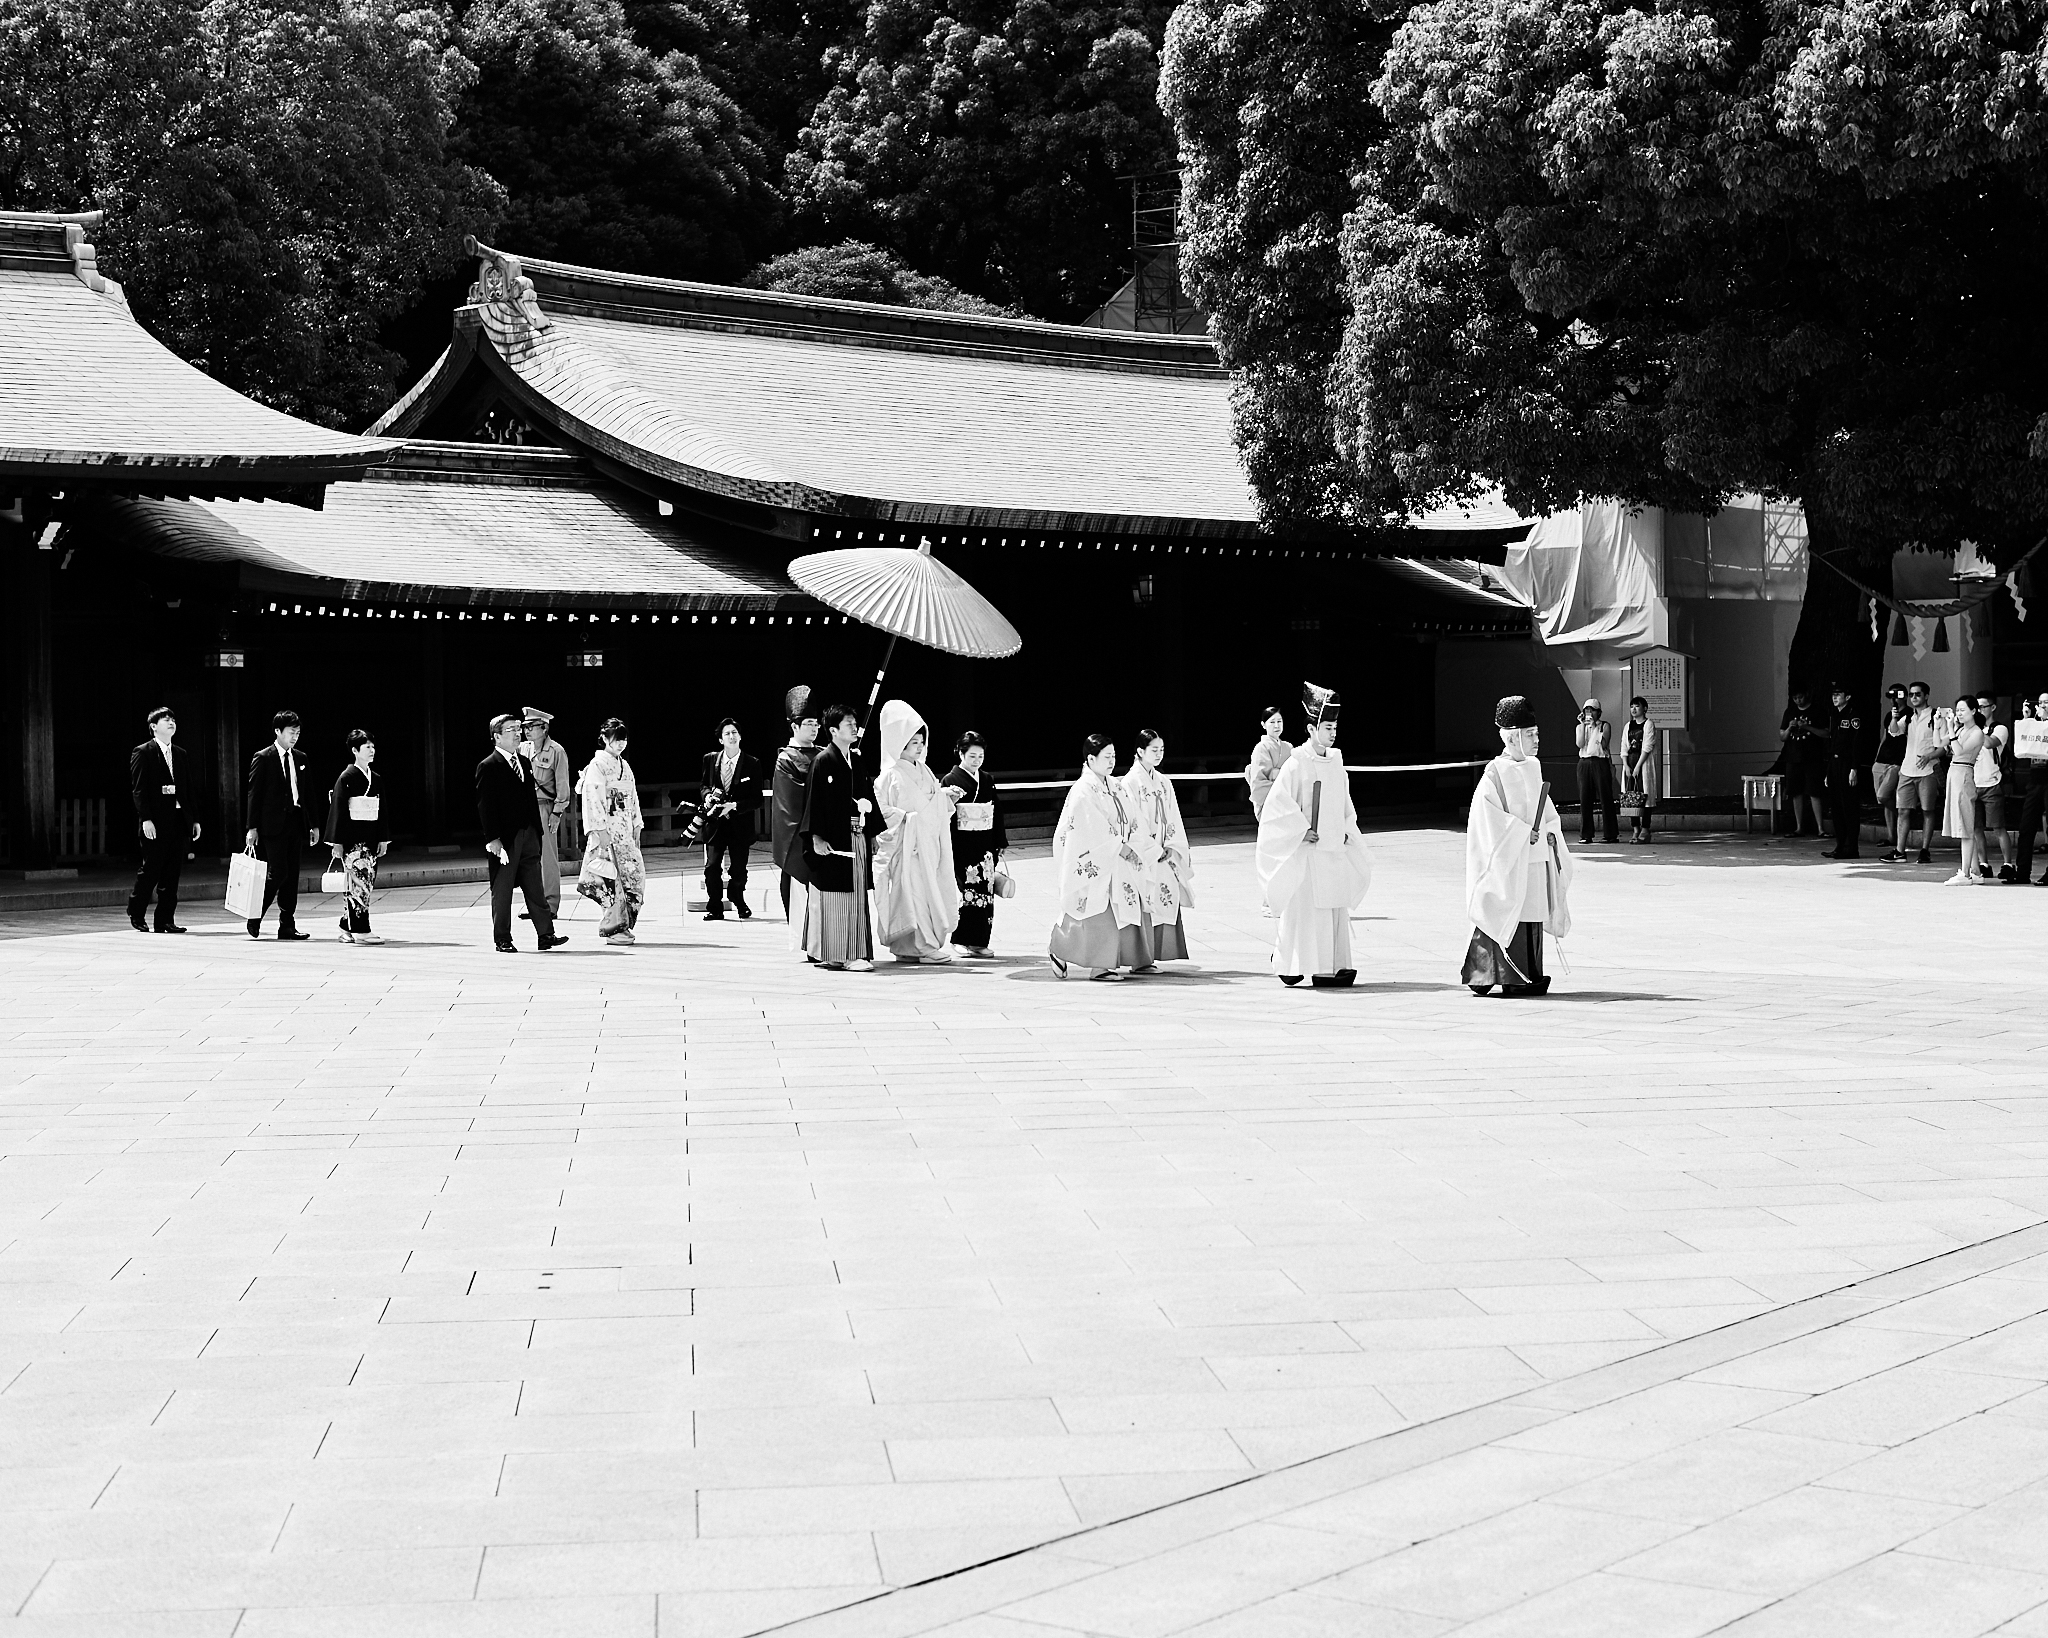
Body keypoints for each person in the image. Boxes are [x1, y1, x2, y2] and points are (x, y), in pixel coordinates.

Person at [1255, 683, 1373, 987]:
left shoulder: (1336, 762)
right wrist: (1299, 829)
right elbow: (1278, 805)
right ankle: (1299, 964)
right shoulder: (1296, 762)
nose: (1333, 733)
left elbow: (1345, 803)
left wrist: (1347, 830)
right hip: (1308, 850)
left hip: (1333, 848)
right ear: (1311, 728)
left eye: (1335, 727)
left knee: (1334, 907)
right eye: (1327, 727)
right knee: (1307, 910)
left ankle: (1335, 965)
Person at [1465, 695, 1574, 997]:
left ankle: (1531, 973)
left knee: (1532, 916)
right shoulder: (1494, 774)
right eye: (1530, 734)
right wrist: (1522, 833)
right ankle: (1503, 976)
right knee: (1507, 911)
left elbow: (1547, 811)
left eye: (1536, 733)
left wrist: (1550, 832)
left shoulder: (1533, 767)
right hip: (1511, 859)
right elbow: (1488, 819)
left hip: (1535, 857)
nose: (1537, 739)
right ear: (1513, 737)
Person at [1048, 734, 1152, 980]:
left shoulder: (1115, 785)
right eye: (1106, 757)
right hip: (1096, 857)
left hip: (1117, 857)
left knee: (1116, 909)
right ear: (1090, 759)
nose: (1111, 762)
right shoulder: (1083, 790)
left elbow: (1132, 816)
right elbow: (1091, 827)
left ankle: (1079, 954)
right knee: (1096, 910)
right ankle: (1096, 964)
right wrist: (1120, 846)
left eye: (1114, 756)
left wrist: (1133, 843)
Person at [870, 700, 963, 963]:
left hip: (929, 845)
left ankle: (911, 947)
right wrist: (907, 821)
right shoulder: (888, 776)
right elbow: (882, 813)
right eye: (914, 742)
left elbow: (932, 806)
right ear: (900, 743)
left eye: (921, 742)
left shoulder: (926, 770)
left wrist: (947, 799)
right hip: (907, 847)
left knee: (926, 893)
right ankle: (920, 946)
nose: (919, 747)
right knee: (913, 896)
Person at [797, 703, 881, 969]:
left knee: (855, 892)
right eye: (849, 724)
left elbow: (868, 796)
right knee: (832, 893)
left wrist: (872, 834)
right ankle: (836, 954)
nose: (854, 727)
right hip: (832, 839)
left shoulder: (855, 760)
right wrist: (816, 837)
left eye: (855, 724)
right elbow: (813, 802)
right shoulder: (822, 761)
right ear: (833, 730)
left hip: (856, 834)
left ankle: (852, 952)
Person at [476, 712, 567, 953]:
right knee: (503, 888)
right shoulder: (488, 766)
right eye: (512, 730)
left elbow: (530, 799)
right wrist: (492, 838)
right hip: (505, 837)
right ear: (497, 736)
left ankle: (546, 934)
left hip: (529, 833)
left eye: (519, 729)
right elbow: (486, 806)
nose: (518, 734)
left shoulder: (524, 762)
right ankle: (502, 938)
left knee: (535, 885)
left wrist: (537, 831)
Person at [244, 709, 318, 940]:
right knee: (278, 872)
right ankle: (255, 915)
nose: (295, 736)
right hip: (272, 825)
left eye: (297, 732)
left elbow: (308, 793)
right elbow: (254, 794)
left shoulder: (301, 758)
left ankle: (287, 925)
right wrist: (252, 827)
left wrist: (314, 824)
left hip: (296, 823)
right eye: (291, 732)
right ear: (278, 731)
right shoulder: (263, 757)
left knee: (292, 874)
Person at [127, 705, 200, 934]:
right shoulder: (144, 752)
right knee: (151, 869)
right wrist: (146, 819)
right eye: (165, 720)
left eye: (173, 720)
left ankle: (165, 919)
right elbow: (139, 790)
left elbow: (187, 789)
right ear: (153, 727)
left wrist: (194, 819)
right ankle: (136, 911)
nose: (171, 723)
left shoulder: (180, 753)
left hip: (178, 818)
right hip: (155, 821)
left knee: (172, 872)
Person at [1123, 728, 1192, 967]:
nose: (1159, 754)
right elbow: (1134, 822)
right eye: (1154, 750)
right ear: (1140, 751)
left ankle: (1154, 955)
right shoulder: (1130, 782)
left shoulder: (1163, 782)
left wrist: (1172, 846)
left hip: (1164, 850)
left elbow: (1173, 817)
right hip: (1146, 854)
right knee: (1144, 900)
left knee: (1164, 899)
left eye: (1161, 750)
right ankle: (1141, 958)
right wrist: (1153, 849)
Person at [576, 717, 646, 946]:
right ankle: (612, 927)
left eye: (623, 740)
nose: (620, 744)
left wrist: (637, 823)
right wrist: (598, 829)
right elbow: (592, 798)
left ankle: (622, 925)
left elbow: (633, 796)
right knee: (609, 880)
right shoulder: (597, 765)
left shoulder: (625, 766)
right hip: (607, 830)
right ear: (605, 739)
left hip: (624, 830)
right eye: (616, 739)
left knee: (633, 878)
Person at [942, 730, 1006, 957]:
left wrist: (1000, 841)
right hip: (963, 843)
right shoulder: (950, 780)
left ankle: (979, 940)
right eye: (972, 756)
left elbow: (996, 811)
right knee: (968, 891)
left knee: (985, 893)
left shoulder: (987, 779)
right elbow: (947, 815)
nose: (977, 761)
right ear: (961, 754)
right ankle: (960, 939)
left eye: (980, 756)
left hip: (985, 843)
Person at [323, 729, 390, 943]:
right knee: (358, 883)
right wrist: (337, 842)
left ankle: (346, 926)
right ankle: (361, 930)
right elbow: (338, 810)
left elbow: (383, 811)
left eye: (373, 746)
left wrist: (383, 838)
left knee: (364, 883)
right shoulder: (347, 777)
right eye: (367, 747)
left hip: (370, 837)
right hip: (352, 839)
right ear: (355, 750)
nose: (372, 750)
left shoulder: (376, 778)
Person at [771, 687, 822, 938]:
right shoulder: (786, 759)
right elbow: (790, 803)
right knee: (802, 891)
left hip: (826, 833)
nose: (814, 729)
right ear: (794, 727)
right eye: (809, 723)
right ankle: (809, 941)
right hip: (802, 836)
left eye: (816, 724)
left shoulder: (825, 754)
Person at [700, 717, 760, 920]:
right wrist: (707, 795)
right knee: (711, 867)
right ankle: (715, 906)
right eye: (727, 733)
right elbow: (704, 785)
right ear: (720, 739)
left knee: (739, 869)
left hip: (739, 824)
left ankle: (737, 899)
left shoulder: (752, 763)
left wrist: (735, 806)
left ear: (740, 736)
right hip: (715, 823)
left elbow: (757, 799)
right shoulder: (710, 759)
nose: (731, 736)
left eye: (735, 732)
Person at [519, 707, 574, 918]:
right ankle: (534, 905)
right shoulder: (523, 749)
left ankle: (550, 905)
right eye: (524, 727)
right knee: (527, 858)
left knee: (547, 858)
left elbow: (562, 785)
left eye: (531, 726)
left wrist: (557, 812)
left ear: (544, 728)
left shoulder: (556, 751)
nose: (526, 731)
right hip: (525, 809)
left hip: (545, 807)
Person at [1884, 681, 1947, 864]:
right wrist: (1894, 717)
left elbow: (1943, 747)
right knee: (1902, 810)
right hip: (1907, 768)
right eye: (1911, 695)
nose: (1913, 698)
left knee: (1928, 810)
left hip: (1927, 770)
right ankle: (1900, 850)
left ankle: (1925, 850)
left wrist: (1930, 756)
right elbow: (1894, 732)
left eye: (1917, 694)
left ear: (1926, 696)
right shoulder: (1909, 716)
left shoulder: (1936, 716)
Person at [1943, 694, 1988, 885]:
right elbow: (1939, 742)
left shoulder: (1977, 732)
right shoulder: (1961, 729)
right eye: (1957, 710)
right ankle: (1976, 872)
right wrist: (1941, 725)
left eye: (1962, 710)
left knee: (1965, 826)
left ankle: (1966, 874)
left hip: (1963, 773)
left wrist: (1952, 730)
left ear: (1973, 711)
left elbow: (1960, 751)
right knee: (1963, 823)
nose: (1959, 714)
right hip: (1955, 773)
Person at [1822, 683, 1867, 860]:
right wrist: (1828, 771)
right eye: (1833, 694)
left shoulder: (1853, 715)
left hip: (1848, 764)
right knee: (1836, 807)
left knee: (1849, 807)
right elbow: (1832, 743)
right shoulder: (1834, 715)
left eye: (1838, 694)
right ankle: (1840, 845)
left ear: (1847, 697)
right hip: (1834, 763)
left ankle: (1851, 847)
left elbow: (1856, 744)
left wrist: (1854, 768)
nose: (1835, 698)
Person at [1778, 686, 1827, 838]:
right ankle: (1799, 827)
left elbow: (1826, 733)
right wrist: (1789, 729)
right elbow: (1782, 736)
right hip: (1793, 758)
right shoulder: (1790, 712)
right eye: (1795, 698)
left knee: (1814, 792)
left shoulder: (1817, 711)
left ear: (1806, 695)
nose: (1798, 701)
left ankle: (1821, 828)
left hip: (1813, 757)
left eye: (1800, 697)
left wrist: (1806, 727)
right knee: (1795, 792)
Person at [1978, 693, 2016, 880]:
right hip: (1972, 782)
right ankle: (1983, 864)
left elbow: (1990, 743)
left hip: (1992, 782)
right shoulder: (1969, 729)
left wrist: (1975, 728)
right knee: (1976, 828)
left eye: (1983, 707)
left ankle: (2008, 863)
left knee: (1998, 827)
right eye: (1976, 708)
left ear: (1992, 707)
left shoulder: (1999, 728)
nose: (1979, 711)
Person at [2015, 689, 2048, 886]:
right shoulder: (2035, 725)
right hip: (2035, 778)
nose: (2043, 706)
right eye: (2041, 702)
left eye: (2047, 702)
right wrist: (2027, 720)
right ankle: (2022, 871)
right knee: (2026, 826)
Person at [1575, 698, 1618, 843]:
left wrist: (1595, 728)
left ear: (1598, 712)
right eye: (1587, 710)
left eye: (1592, 710)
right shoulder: (1580, 727)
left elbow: (1604, 745)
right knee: (1585, 798)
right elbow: (1580, 744)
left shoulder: (1604, 726)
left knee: (1605, 797)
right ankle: (1586, 834)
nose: (1589, 713)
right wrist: (1583, 725)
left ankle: (1610, 834)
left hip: (1600, 761)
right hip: (1585, 762)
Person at [1871, 684, 1908, 846]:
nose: (1894, 700)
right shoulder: (1888, 715)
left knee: (1884, 795)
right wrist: (1877, 757)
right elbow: (1886, 736)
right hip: (1882, 759)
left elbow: (1899, 732)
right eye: (1891, 697)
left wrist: (1895, 718)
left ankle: (1903, 815)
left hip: (1897, 760)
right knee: (1883, 800)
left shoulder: (1910, 714)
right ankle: (1891, 835)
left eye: (1897, 696)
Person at [1619, 696, 1659, 844]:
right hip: (1629, 761)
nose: (1634, 709)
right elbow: (1624, 745)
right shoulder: (1628, 725)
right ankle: (1635, 828)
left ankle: (1645, 829)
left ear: (1645, 709)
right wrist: (1626, 765)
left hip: (1643, 762)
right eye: (1631, 707)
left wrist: (1638, 766)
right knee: (1631, 798)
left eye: (1637, 706)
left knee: (1645, 797)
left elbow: (1647, 747)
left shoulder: (1648, 724)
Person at [1244, 706, 1292, 818]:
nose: (1277, 725)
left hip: (1288, 799)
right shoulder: (1261, 748)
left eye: (1279, 721)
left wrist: (1277, 774)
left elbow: (1293, 774)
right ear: (1263, 724)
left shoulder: (1288, 747)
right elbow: (1258, 781)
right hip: (1268, 801)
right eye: (1272, 722)